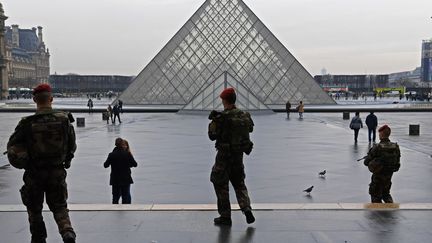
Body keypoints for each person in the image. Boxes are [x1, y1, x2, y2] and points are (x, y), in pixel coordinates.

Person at [7, 83, 77, 243]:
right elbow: (72, 145)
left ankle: (39, 238)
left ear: (34, 100)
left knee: (34, 209)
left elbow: (12, 146)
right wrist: (67, 160)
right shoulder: (64, 120)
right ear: (51, 98)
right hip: (57, 171)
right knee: (59, 206)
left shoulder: (27, 123)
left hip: (34, 173)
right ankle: (67, 232)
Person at [208, 87, 255, 226]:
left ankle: (225, 216)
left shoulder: (220, 117)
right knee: (239, 183)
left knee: (220, 183)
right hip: (238, 156)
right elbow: (250, 129)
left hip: (223, 157)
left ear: (224, 100)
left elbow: (211, 136)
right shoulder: (244, 115)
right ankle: (246, 208)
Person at [364, 125, 401, 203]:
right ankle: (390, 209)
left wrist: (369, 159)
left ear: (381, 134)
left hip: (378, 176)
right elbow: (397, 161)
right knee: (386, 194)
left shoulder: (377, 147)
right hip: (389, 175)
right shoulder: (395, 146)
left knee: (375, 195)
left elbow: (366, 162)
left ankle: (377, 213)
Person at [103, 138, 137, 204]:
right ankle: (126, 211)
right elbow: (135, 164)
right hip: (126, 178)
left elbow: (105, 165)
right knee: (126, 196)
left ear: (115, 144)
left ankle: (114, 211)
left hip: (115, 179)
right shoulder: (127, 154)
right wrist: (128, 165)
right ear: (122, 144)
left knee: (115, 197)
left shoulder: (111, 155)